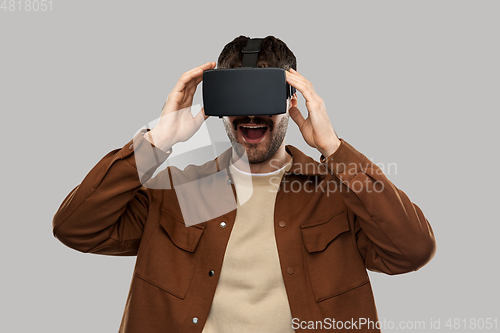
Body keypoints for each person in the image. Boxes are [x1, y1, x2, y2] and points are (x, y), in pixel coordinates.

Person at [52, 35, 436, 333]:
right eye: (238, 95)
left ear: (292, 100)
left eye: (264, 94)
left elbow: (413, 250)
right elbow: (76, 228)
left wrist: (334, 150)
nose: (251, 112)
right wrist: (156, 141)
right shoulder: (185, 193)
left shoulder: (334, 194)